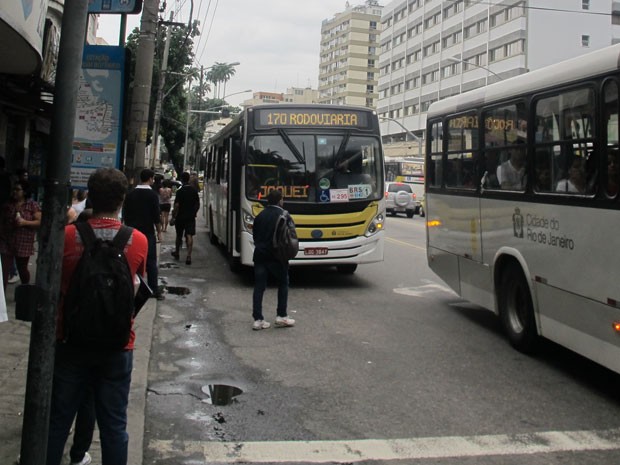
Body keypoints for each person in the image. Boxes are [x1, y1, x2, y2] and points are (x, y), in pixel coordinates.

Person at [46, 167, 148, 465]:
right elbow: (136, 289)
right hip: (118, 345)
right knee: (114, 426)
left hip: (70, 340)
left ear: (89, 195)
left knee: (58, 422)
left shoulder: (66, 237)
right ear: (122, 200)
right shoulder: (137, 240)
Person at [251, 189, 296, 330]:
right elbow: (290, 236)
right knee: (283, 283)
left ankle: (258, 319)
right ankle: (281, 315)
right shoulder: (284, 215)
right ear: (280, 200)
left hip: (259, 255)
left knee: (259, 287)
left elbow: (255, 235)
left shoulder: (259, 216)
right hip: (277, 256)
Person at [123, 168, 164, 300]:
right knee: (151, 261)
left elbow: (125, 213)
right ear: (151, 179)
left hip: (130, 231)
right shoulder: (153, 195)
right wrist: (159, 231)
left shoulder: (130, 194)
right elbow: (156, 216)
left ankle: (129, 286)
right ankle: (153, 288)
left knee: (130, 259)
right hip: (147, 232)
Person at [0, 180, 41, 289]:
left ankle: (25, 290)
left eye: (18, 190)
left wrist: (25, 222)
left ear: (24, 192)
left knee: (22, 269)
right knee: (3, 270)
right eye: (14, 189)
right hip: (7, 241)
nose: (15, 192)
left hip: (23, 242)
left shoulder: (32, 205)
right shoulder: (8, 205)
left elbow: (39, 222)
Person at [170, 171, 200, 265]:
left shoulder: (180, 191)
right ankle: (189, 256)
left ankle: (177, 253)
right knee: (189, 235)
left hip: (180, 217)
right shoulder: (194, 191)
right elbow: (197, 204)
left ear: (182, 180)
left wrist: (174, 216)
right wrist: (194, 212)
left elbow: (177, 205)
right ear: (189, 179)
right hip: (190, 217)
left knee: (179, 235)